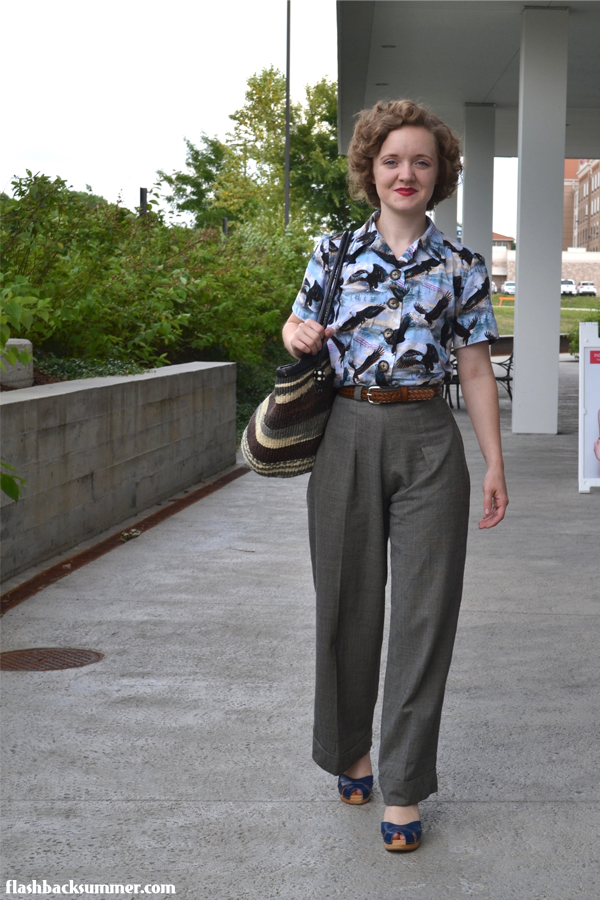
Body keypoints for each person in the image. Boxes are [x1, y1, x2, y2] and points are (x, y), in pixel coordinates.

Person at [282, 100, 508, 852]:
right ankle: (351, 748)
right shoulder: (335, 250)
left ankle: (405, 786)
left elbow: (474, 368)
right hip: (346, 430)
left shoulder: (462, 265)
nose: (405, 172)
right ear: (370, 170)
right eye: (391, 160)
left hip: (428, 439)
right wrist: (300, 330)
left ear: (439, 174)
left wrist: (493, 463)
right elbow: (294, 324)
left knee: (424, 615)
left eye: (421, 160)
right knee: (346, 603)